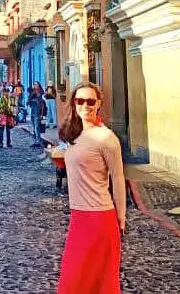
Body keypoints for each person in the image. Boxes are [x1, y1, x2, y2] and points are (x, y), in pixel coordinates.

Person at [56, 83, 125, 294]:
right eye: (80, 101)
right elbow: (73, 157)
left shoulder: (106, 139)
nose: (85, 105)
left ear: (99, 104)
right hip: (79, 216)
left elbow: (118, 179)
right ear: (74, 104)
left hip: (99, 218)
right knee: (75, 281)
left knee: (95, 282)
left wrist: (120, 220)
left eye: (90, 101)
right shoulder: (74, 134)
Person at [28, 82, 46, 148]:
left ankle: (38, 141)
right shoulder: (32, 93)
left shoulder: (40, 93)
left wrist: (41, 114)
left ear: (39, 85)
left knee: (37, 128)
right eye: (34, 84)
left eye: (36, 84)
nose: (34, 85)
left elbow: (42, 104)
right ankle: (36, 140)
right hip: (33, 112)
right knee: (34, 127)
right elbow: (29, 102)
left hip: (37, 113)